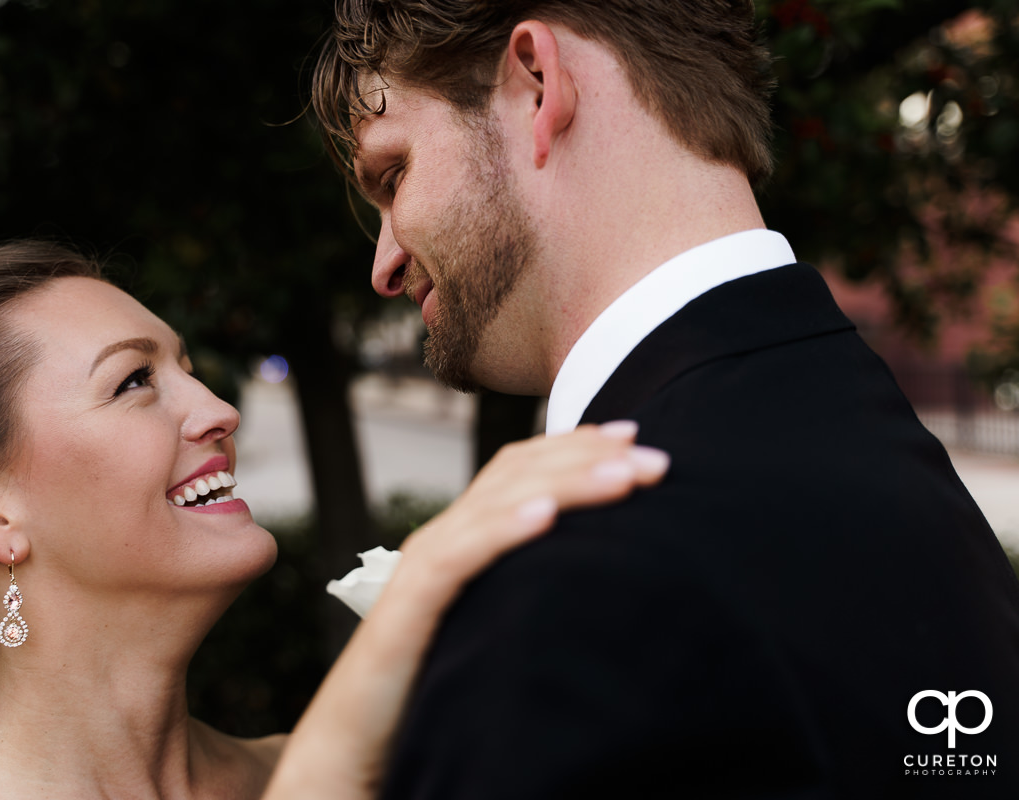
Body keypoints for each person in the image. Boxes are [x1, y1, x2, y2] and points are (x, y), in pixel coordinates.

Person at [312, 1, 1019, 796]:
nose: (384, 263)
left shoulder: (587, 584)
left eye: (394, 172)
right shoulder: (887, 450)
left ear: (539, 83)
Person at [0, 238, 669, 799]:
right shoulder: (329, 765)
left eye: (187, 367)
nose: (218, 409)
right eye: (132, 382)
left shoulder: (306, 766)